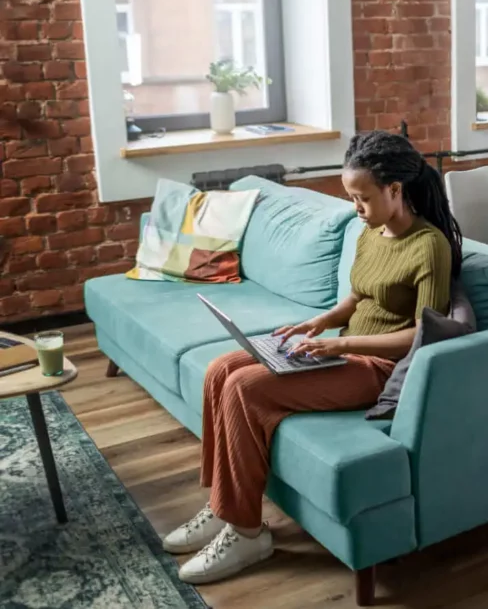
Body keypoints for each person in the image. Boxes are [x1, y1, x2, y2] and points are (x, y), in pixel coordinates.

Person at [161, 131, 461, 584]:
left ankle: (247, 533)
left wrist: (340, 345)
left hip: (379, 369)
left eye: (362, 197)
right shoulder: (370, 232)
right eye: (350, 198)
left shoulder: (429, 245)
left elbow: (424, 333)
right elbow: (358, 296)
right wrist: (319, 323)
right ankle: (223, 507)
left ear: (395, 190)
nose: (355, 207)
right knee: (221, 368)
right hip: (343, 351)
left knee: (246, 388)